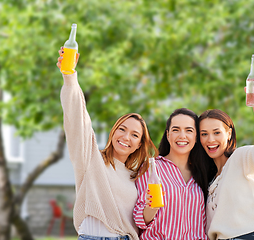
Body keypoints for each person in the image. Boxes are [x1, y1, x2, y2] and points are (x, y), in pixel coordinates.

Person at [57, 47, 158, 240]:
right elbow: (79, 121)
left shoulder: (135, 177)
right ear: (113, 132)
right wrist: (70, 77)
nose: (126, 137)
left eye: (134, 135)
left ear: (139, 144)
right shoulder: (91, 160)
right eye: (122, 129)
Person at [198, 79, 254, 240]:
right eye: (204, 134)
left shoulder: (241, 157)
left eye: (216, 132)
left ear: (229, 133)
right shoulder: (211, 180)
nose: (210, 139)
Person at [133, 108, 209, 240]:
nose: (182, 136)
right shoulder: (152, 168)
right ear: (168, 135)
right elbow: (139, 220)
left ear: (196, 137)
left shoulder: (202, 173)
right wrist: (151, 208)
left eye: (189, 130)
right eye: (176, 130)